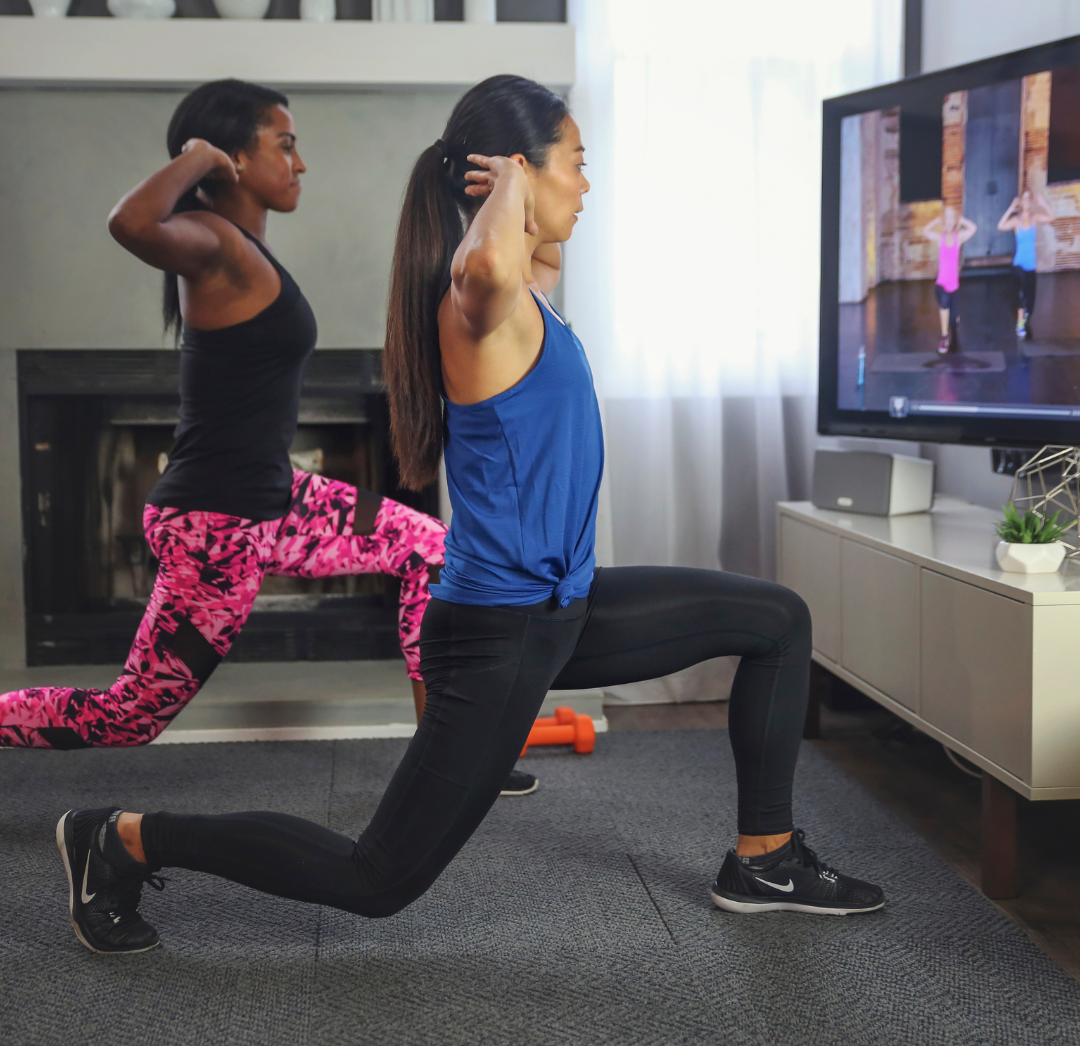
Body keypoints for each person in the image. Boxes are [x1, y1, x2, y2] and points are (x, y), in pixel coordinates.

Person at [55, 75, 884, 957]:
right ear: (522, 172)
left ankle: (764, 860)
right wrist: (516, 182)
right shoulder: (475, 305)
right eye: (577, 164)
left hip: (563, 611)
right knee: (373, 880)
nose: (587, 184)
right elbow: (483, 261)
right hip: (496, 634)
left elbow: (522, 253)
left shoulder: (527, 288)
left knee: (775, 621)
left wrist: (518, 190)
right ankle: (122, 837)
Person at [0, 78, 537, 795]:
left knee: (430, 549)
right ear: (234, 159)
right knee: (128, 715)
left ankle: (444, 760)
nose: (300, 162)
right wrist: (198, 156)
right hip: (214, 526)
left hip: (277, 501)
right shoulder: (214, 245)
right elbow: (129, 222)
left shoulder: (238, 246)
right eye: (283, 145)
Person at [997, 188, 1054, 339]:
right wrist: (1011, 208)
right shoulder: (1017, 220)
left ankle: (1025, 317)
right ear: (1021, 202)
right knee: (1021, 293)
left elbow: (1051, 217)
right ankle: (1019, 323)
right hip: (1019, 263)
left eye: (1029, 198)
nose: (1027, 201)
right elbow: (1001, 226)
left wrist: (1043, 203)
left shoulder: (1035, 217)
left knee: (1030, 300)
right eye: (1024, 199)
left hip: (1031, 264)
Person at [923, 205, 977, 355]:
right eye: (946, 218)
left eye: (951, 218)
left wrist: (961, 219)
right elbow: (926, 231)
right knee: (944, 303)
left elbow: (973, 228)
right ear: (943, 220)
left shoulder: (958, 238)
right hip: (941, 284)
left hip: (954, 286)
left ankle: (953, 323)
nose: (948, 221)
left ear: (954, 221)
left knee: (953, 320)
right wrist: (936, 220)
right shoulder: (940, 238)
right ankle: (944, 338)